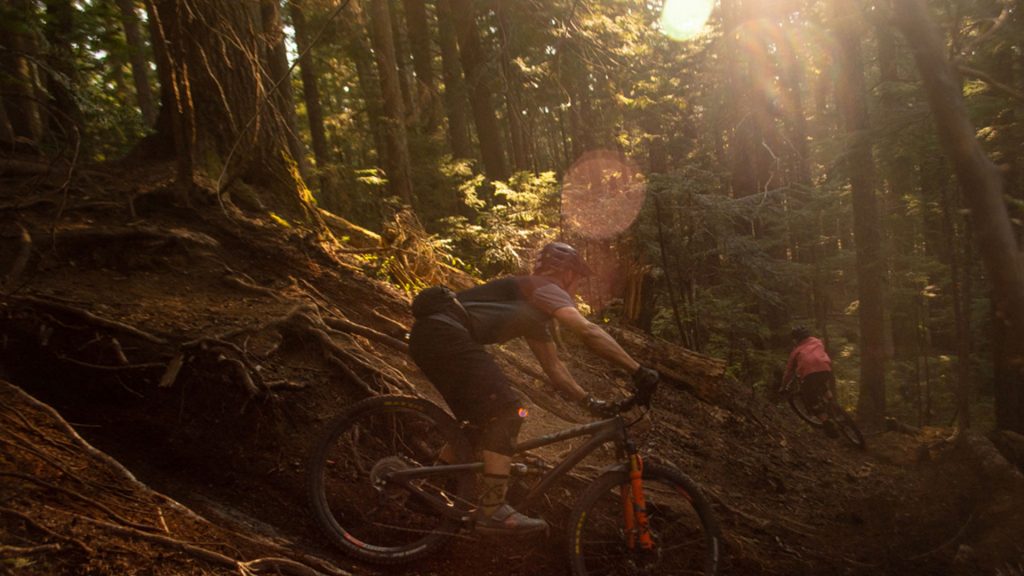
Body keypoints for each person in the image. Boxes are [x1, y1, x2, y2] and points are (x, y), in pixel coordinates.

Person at [408, 242, 659, 534]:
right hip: (444, 334)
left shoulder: (532, 307)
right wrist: (637, 370)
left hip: (430, 337)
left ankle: (427, 492)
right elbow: (589, 331)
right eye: (578, 278)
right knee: (508, 410)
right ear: (566, 273)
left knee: (480, 422)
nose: (577, 288)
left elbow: (555, 370)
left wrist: (590, 402)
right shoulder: (545, 288)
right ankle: (493, 510)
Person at [782, 326, 839, 437]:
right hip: (826, 369)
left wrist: (783, 386)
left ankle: (827, 423)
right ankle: (833, 405)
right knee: (822, 384)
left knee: (811, 400)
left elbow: (789, 372)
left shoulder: (796, 351)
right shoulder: (818, 341)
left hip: (809, 374)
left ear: (796, 339)